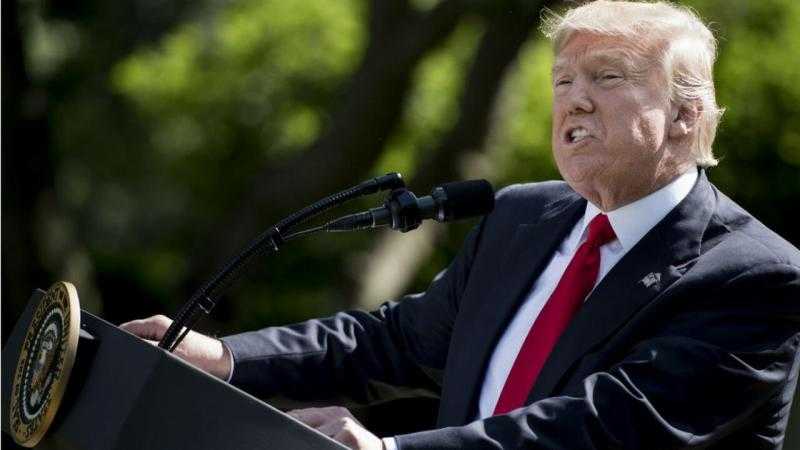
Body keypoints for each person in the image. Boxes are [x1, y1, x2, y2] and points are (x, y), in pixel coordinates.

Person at [121, 1, 800, 449]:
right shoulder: (523, 217)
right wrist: (225, 358)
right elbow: (393, 342)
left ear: (685, 114)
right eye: (562, 81)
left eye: (608, 77)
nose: (574, 100)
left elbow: (603, 429)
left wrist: (389, 449)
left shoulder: (754, 275)